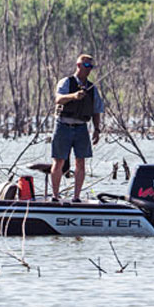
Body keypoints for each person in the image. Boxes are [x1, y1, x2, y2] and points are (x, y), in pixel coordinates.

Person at [51, 54, 104, 202]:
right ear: (78, 65)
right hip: (63, 125)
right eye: (86, 66)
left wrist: (97, 129)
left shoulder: (92, 88)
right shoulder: (66, 82)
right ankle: (55, 196)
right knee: (59, 161)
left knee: (80, 162)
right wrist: (74, 96)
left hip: (81, 128)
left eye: (91, 67)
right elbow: (58, 99)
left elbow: (96, 110)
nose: (89, 69)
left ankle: (76, 197)